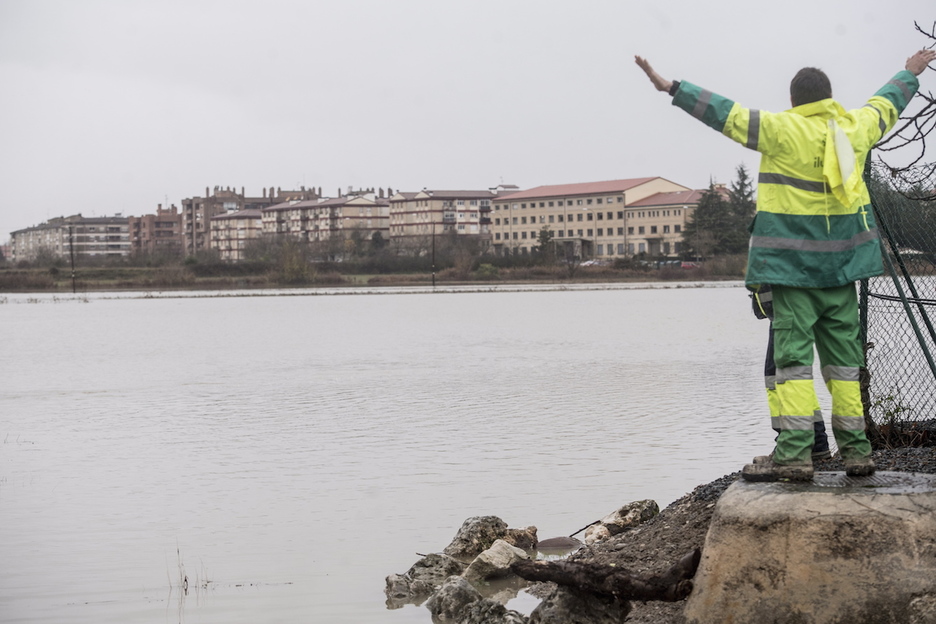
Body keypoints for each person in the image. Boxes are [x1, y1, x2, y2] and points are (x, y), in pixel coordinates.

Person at [636, 49, 936, 481]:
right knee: (845, 369)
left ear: (794, 101)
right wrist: (910, 72)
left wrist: (673, 88)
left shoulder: (780, 129)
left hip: (793, 275)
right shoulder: (854, 128)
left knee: (792, 368)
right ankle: (857, 453)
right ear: (829, 97)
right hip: (842, 275)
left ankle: (796, 457)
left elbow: (726, 114)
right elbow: (886, 103)